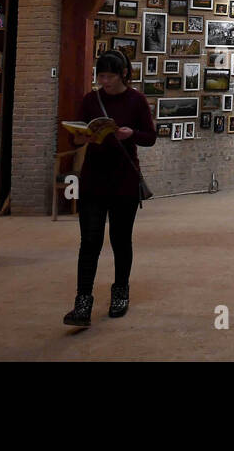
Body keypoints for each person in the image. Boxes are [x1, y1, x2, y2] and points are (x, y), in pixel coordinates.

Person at [63, 50, 157, 327]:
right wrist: (82, 136)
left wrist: (131, 134)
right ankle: (82, 302)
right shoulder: (91, 99)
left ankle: (120, 293)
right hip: (93, 178)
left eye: (110, 77)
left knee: (120, 239)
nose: (105, 82)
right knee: (89, 242)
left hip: (124, 180)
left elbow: (150, 138)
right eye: (101, 76)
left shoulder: (136, 100)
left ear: (123, 74)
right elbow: (77, 136)